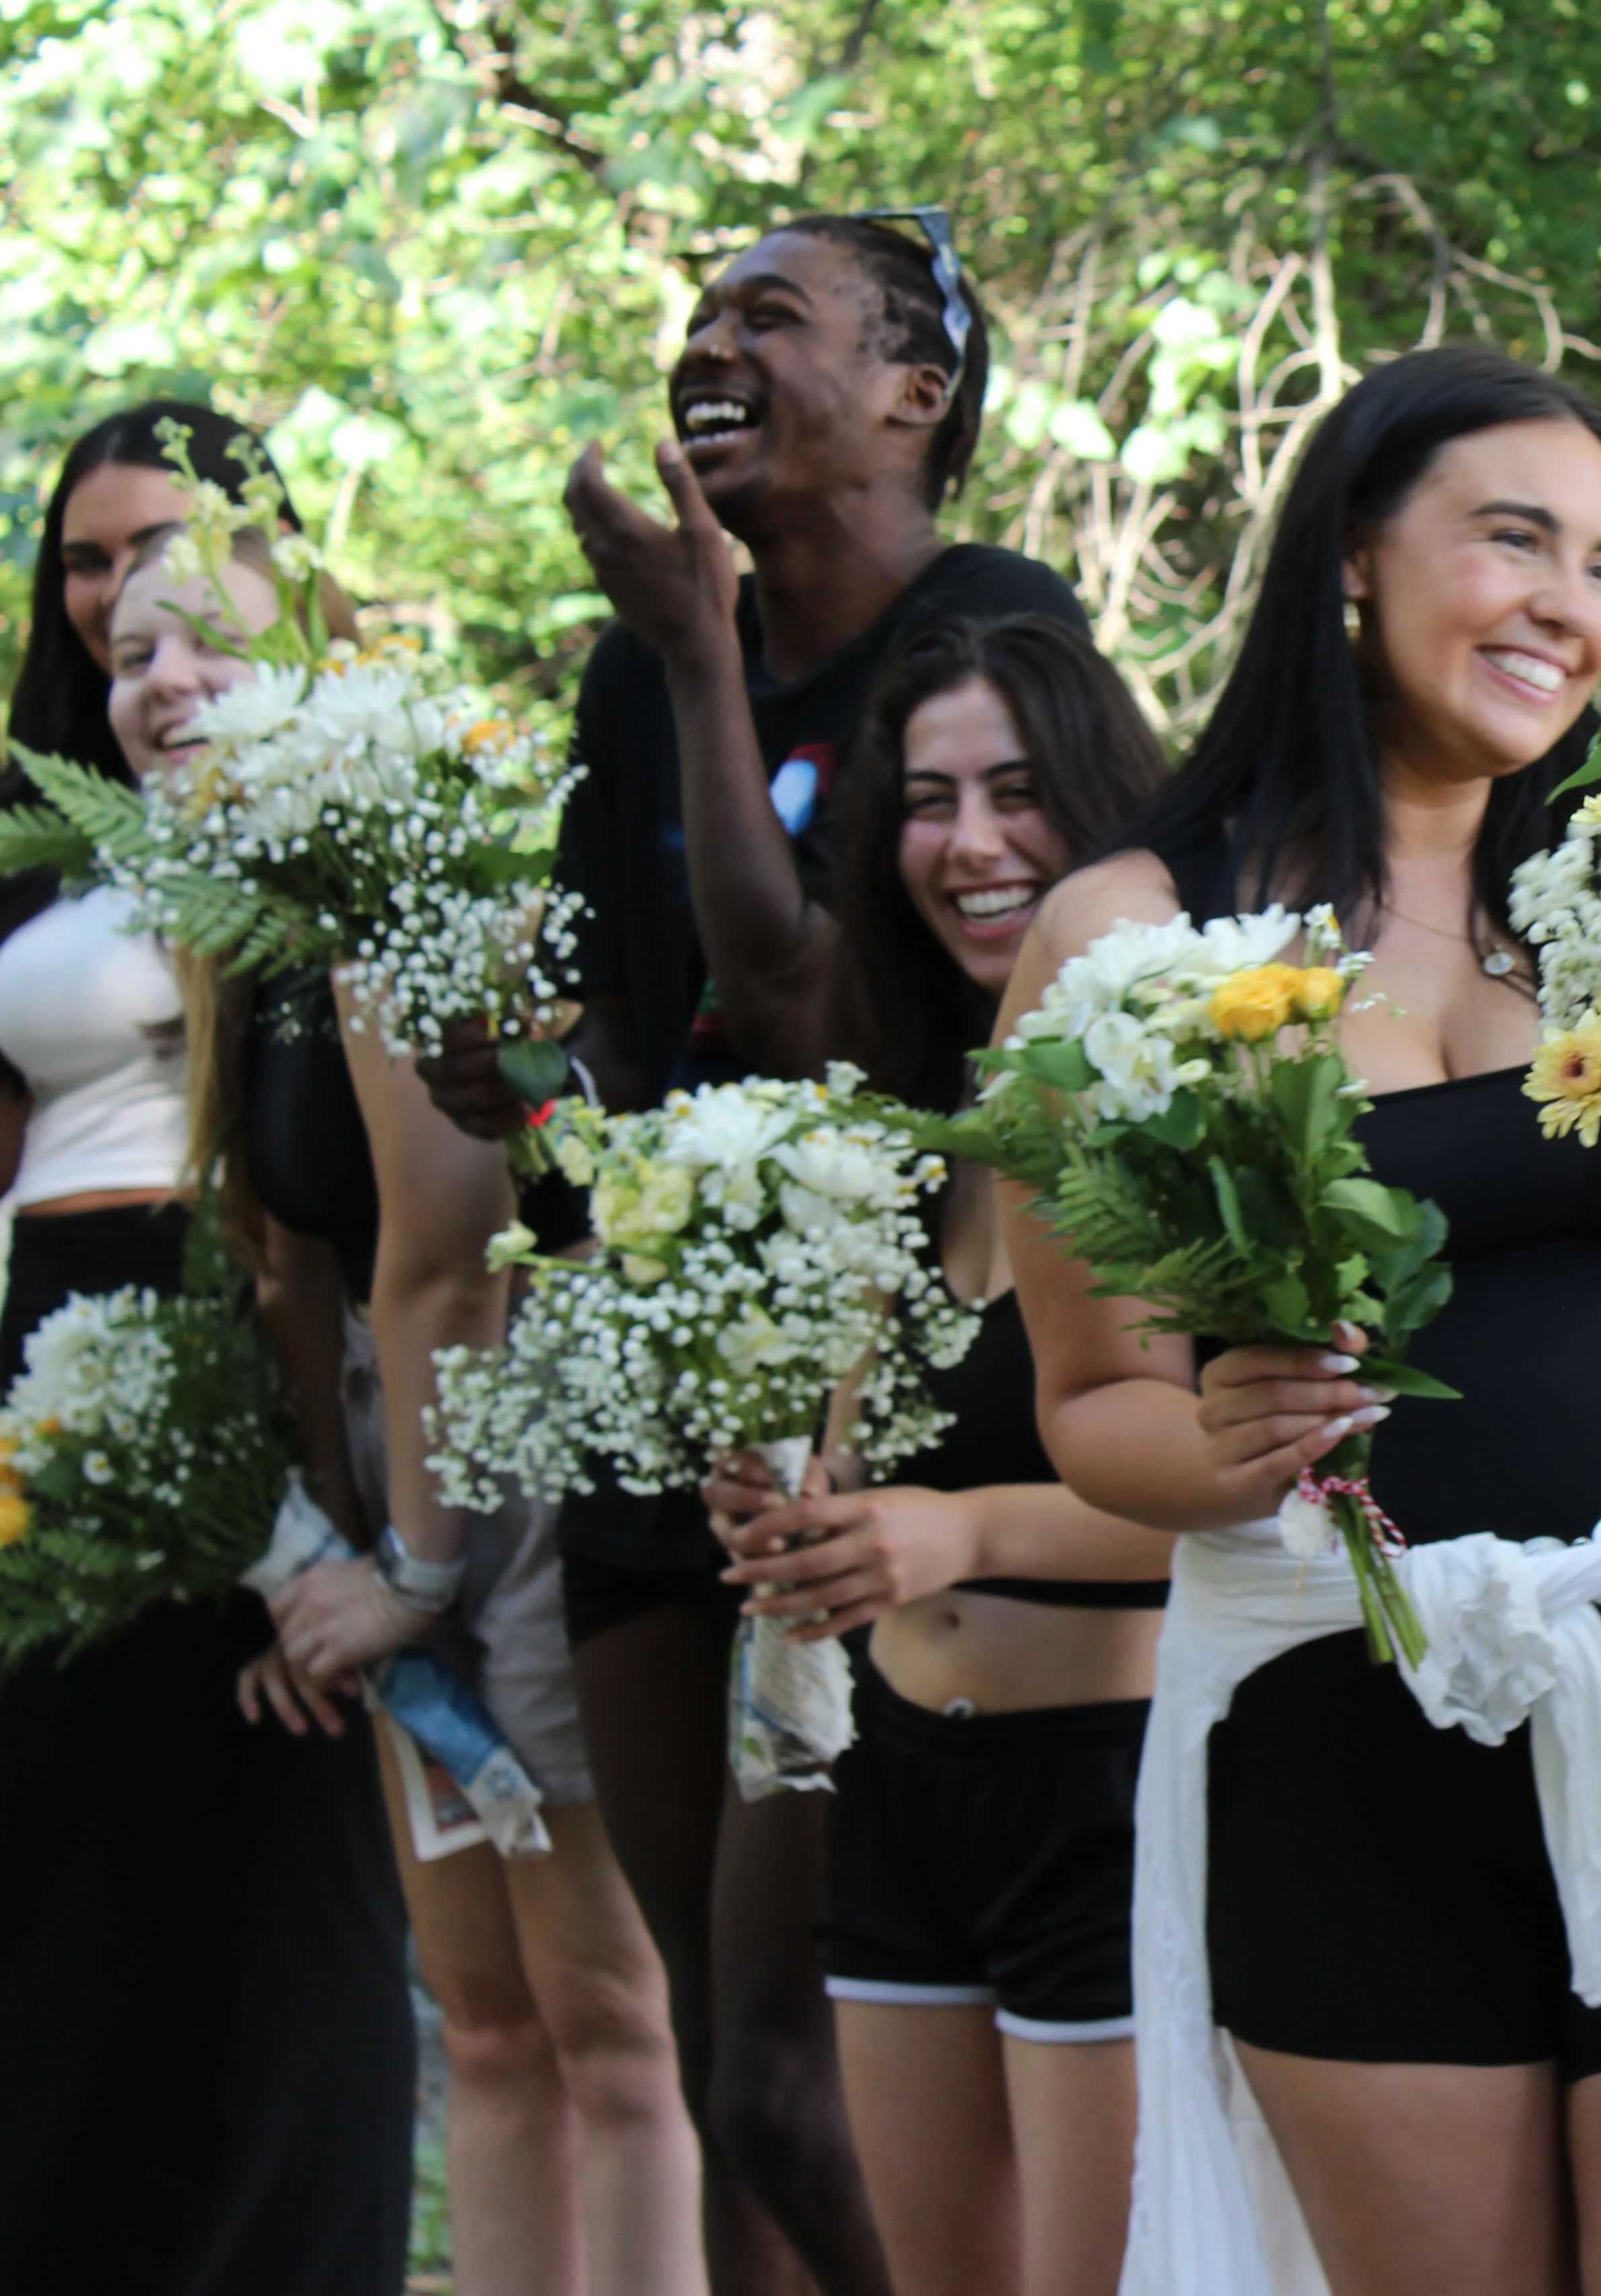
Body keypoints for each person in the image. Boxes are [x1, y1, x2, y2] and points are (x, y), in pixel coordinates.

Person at [1002, 345, 1601, 2296]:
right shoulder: (1130, 936)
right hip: (1354, 1751)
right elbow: (1090, 1400)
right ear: (1355, 549)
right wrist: (1220, 1442)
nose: (1570, 609)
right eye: (1514, 539)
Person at [468, 209, 1085, 2296]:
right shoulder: (632, 675)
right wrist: (530, 1093)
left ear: (919, 390)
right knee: (733, 2063)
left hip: (886, 1414)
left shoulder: (988, 639)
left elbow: (811, 1003)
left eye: (771, 317)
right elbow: (622, 1034)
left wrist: (703, 653)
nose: (706, 347)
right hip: (661, 1399)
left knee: (790, 2080)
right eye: (700, 316)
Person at [98, 504, 714, 2292]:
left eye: (209, 640)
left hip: (511, 1453)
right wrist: (322, 1554)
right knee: (485, 2014)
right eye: (134, 655)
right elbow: (292, 1266)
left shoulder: (396, 885)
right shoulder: (239, 915)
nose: (165, 684)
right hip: (395, 1474)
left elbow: (448, 1262)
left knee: (610, 2019)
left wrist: (420, 1578)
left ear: (325, 663)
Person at [698, 611, 1175, 2296]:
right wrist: (797, 1523)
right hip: (900, 1788)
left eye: (1017, 791)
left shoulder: (1191, 1118)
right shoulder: (900, 1136)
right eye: (927, 797)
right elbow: (872, 1479)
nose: (970, 843)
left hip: (1110, 1804)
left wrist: (957, 1535)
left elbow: (1287, 1502)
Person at [0, 411, 413, 2293]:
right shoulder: (47, 818)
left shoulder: (323, 814)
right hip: (33, 1361)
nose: (119, 606)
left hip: (231, 1337)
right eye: (87, 571)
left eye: (162, 554)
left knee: (250, 1879)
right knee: (57, 1887)